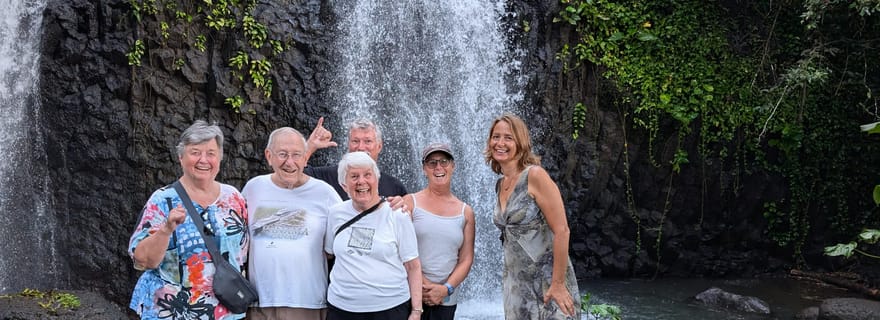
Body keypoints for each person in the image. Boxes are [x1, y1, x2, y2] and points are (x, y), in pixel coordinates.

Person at [128, 120, 249, 320]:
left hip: (225, 311)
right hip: (172, 312)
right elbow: (142, 260)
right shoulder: (162, 200)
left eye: (211, 153)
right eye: (195, 152)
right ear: (181, 157)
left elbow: (241, 255)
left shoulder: (233, 197)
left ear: (219, 158)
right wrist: (166, 230)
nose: (203, 160)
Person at [484, 113, 581, 319]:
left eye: (508, 137)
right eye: (496, 137)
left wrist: (558, 284)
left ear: (521, 142)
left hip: (547, 283)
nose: (500, 143)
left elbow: (562, 230)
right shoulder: (500, 184)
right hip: (516, 285)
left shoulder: (535, 175)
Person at [241, 127, 342, 320]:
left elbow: (352, 222)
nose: (290, 162)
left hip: (306, 302)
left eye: (296, 155)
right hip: (260, 302)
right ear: (269, 156)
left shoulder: (324, 193)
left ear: (305, 158)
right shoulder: (253, 188)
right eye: (282, 154)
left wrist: (389, 206)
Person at [323, 151, 423, 320]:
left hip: (390, 307)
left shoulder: (397, 214)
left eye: (367, 175)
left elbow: (413, 265)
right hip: (341, 308)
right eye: (354, 176)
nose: (361, 181)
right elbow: (328, 253)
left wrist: (416, 310)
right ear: (343, 185)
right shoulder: (335, 213)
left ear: (377, 180)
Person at [399, 142, 475, 320]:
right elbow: (399, 250)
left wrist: (445, 289)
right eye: (432, 163)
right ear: (424, 169)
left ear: (453, 166)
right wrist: (425, 286)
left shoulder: (466, 212)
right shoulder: (409, 203)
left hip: (446, 298)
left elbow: (466, 259)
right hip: (411, 293)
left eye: (444, 161)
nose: (438, 167)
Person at [303, 117, 407, 200]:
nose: (361, 147)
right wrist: (309, 147)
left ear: (379, 147)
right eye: (355, 141)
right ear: (348, 144)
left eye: (368, 141)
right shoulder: (328, 177)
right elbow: (293, 174)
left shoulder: (394, 187)